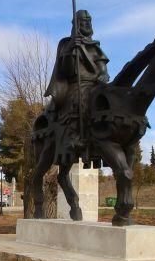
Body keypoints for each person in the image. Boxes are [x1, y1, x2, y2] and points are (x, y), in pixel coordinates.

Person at [44, 9, 110, 153]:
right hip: (77, 84)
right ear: (77, 24)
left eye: (89, 21)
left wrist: (104, 75)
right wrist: (71, 48)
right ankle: (75, 137)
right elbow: (66, 70)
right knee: (80, 100)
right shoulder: (66, 44)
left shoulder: (95, 46)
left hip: (97, 84)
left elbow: (102, 67)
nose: (87, 24)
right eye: (83, 22)